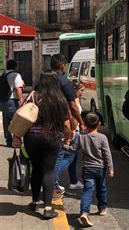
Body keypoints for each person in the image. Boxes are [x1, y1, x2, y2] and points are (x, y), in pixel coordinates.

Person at [12, 72, 73, 219]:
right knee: (49, 171)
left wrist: (17, 136)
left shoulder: (32, 96)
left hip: (31, 138)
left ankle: (34, 201)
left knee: (36, 169)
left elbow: (21, 116)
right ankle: (47, 208)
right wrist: (67, 138)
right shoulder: (59, 99)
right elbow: (66, 125)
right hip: (51, 139)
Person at [66, 112, 113, 227]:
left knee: (88, 190)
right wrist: (111, 169)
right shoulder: (102, 137)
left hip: (87, 168)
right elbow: (107, 154)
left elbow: (73, 149)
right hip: (100, 168)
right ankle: (102, 208)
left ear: (85, 124)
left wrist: (64, 144)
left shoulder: (81, 137)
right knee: (101, 188)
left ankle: (84, 212)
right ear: (99, 124)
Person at [50, 54, 84, 197]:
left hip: (42, 124)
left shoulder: (43, 79)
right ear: (63, 66)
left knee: (48, 157)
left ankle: (48, 184)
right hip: (59, 125)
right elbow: (73, 107)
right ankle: (54, 185)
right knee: (60, 156)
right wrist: (81, 124)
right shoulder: (64, 81)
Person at [54, 80, 85, 193]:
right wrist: (72, 131)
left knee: (73, 158)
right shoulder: (71, 101)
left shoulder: (72, 99)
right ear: (75, 89)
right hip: (72, 132)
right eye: (81, 90)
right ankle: (54, 180)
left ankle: (74, 181)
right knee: (68, 158)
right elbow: (72, 117)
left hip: (72, 131)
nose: (82, 93)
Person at [0, 60, 24, 147]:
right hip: (12, 101)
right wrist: (21, 100)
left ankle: (9, 141)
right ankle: (16, 141)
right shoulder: (15, 75)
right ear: (15, 66)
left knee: (6, 122)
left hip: (3, 101)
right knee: (16, 121)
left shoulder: (3, 74)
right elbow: (18, 89)